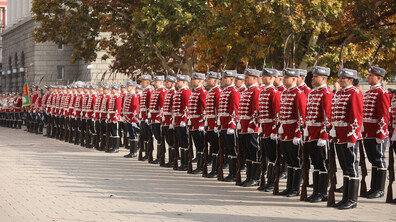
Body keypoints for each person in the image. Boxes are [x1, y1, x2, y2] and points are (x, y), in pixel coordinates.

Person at [330, 68, 363, 209]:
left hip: (349, 136)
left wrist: (352, 136)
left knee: (352, 167)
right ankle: (345, 198)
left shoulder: (355, 92)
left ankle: (352, 200)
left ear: (351, 80)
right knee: (344, 167)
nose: (341, 80)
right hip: (339, 135)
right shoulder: (339, 93)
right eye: (340, 78)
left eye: (344, 78)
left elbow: (356, 116)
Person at [303, 66, 333, 202]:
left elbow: (327, 118)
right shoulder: (313, 93)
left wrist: (324, 136)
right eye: (313, 76)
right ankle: (316, 191)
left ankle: (323, 192)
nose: (312, 78)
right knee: (315, 163)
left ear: (323, 78)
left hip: (320, 135)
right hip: (311, 133)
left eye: (315, 77)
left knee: (322, 163)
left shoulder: (326, 94)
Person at [277, 68, 307, 197]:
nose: (284, 80)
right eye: (284, 77)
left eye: (286, 78)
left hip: (293, 133)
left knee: (296, 160)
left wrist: (298, 134)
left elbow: (302, 116)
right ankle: (289, 187)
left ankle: (295, 188)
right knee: (288, 161)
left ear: (294, 79)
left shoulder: (298, 93)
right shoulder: (285, 93)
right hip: (284, 132)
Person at [361, 66, 389, 199]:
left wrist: (381, 134)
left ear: (378, 78)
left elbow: (383, 116)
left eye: (371, 76)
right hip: (367, 132)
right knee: (372, 160)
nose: (368, 77)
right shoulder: (368, 93)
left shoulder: (381, 93)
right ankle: (373, 188)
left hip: (377, 133)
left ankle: (380, 189)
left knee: (379, 159)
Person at [257, 68, 281, 192]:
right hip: (264, 128)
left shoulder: (274, 93)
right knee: (267, 155)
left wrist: (275, 130)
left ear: (272, 78)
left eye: (266, 76)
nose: (263, 78)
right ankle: (268, 181)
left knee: (273, 157)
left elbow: (277, 113)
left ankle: (273, 182)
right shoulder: (263, 92)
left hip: (271, 129)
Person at [237, 68, 261, 187]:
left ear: (254, 78)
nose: (244, 79)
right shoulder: (247, 91)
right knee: (247, 152)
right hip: (244, 126)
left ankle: (255, 178)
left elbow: (256, 110)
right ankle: (249, 176)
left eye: (247, 78)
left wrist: (252, 125)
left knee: (254, 152)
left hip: (252, 128)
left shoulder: (256, 91)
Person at [218, 70, 240, 182]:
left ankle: (234, 173)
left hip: (230, 125)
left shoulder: (234, 92)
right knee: (228, 149)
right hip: (224, 124)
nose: (222, 80)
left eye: (224, 78)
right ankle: (231, 173)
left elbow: (235, 109)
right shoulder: (225, 91)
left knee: (233, 149)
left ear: (231, 79)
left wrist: (232, 125)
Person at [204, 71, 222, 178]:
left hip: (215, 124)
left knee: (217, 147)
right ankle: (214, 169)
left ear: (215, 80)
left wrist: (217, 124)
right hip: (210, 123)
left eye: (209, 79)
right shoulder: (211, 92)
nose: (207, 80)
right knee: (213, 147)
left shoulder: (218, 92)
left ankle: (217, 170)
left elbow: (219, 109)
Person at [188, 72, 207, 174]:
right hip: (194, 123)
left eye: (194, 79)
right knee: (197, 146)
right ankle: (199, 166)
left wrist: (202, 123)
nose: (192, 81)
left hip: (199, 124)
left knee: (201, 146)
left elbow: (205, 108)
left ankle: (201, 166)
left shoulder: (202, 92)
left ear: (200, 80)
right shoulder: (195, 92)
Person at [172, 74, 192, 171]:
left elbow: (186, 107)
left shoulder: (186, 92)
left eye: (179, 81)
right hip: (178, 120)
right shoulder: (179, 92)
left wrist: (184, 120)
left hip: (182, 121)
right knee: (181, 143)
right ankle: (183, 163)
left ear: (184, 82)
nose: (177, 82)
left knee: (185, 142)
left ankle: (186, 163)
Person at [148, 76, 167, 163]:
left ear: (161, 82)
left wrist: (160, 116)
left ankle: (161, 156)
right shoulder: (156, 91)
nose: (155, 83)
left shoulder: (162, 91)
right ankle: (159, 156)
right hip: (153, 117)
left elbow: (162, 105)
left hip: (158, 118)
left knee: (160, 137)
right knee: (157, 137)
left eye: (156, 81)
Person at [162, 76, 177, 167]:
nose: (166, 83)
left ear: (173, 83)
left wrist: (172, 120)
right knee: (169, 140)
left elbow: (174, 109)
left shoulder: (174, 93)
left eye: (168, 82)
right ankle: (170, 160)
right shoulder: (168, 93)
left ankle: (173, 160)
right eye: (166, 82)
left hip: (171, 121)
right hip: (166, 120)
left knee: (172, 141)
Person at [138, 75, 154, 161]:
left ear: (147, 82)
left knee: (148, 135)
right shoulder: (145, 91)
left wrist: (148, 116)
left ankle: (149, 153)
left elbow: (150, 104)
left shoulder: (149, 91)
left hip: (147, 116)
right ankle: (146, 153)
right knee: (144, 135)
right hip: (143, 115)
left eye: (143, 81)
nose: (141, 83)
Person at [123, 81, 140, 158]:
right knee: (130, 135)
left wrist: (133, 120)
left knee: (133, 135)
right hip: (127, 118)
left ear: (133, 87)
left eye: (128, 86)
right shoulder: (128, 96)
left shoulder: (134, 96)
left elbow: (135, 108)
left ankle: (134, 152)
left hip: (132, 119)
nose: (127, 87)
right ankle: (131, 151)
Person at [107, 84, 122, 153]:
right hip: (111, 116)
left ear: (116, 90)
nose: (112, 90)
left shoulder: (117, 97)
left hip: (115, 117)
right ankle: (113, 147)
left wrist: (116, 117)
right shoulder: (113, 97)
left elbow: (118, 108)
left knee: (116, 133)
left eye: (113, 89)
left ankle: (116, 148)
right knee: (112, 132)